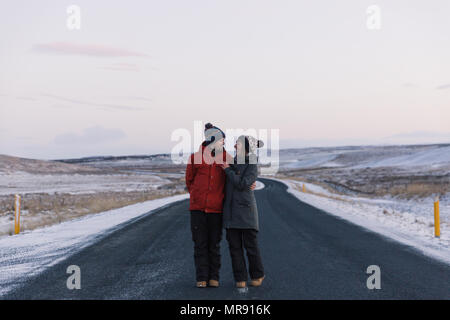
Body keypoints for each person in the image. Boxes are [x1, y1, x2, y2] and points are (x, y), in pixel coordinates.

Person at [185, 123, 229, 288]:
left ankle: (214, 277)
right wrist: (197, 196)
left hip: (216, 209)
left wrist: (250, 183)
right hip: (198, 209)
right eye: (222, 139)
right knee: (200, 243)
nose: (224, 142)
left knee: (214, 243)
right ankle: (201, 277)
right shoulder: (195, 157)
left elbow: (238, 174)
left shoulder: (226, 158)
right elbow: (190, 180)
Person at [220, 135, 265, 288]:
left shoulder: (251, 164)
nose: (234, 147)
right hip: (231, 211)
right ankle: (240, 278)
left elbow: (243, 184)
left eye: (237, 145)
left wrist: (228, 171)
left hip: (246, 212)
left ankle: (257, 275)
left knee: (250, 246)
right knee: (234, 248)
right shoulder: (233, 163)